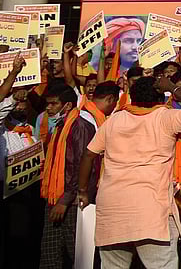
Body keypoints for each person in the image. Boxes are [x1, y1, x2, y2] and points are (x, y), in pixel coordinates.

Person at [78, 75, 181, 269]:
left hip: (113, 210)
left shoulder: (115, 119)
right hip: (151, 212)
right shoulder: (165, 117)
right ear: (160, 97)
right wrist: (172, 87)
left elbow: (89, 155)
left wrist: (82, 191)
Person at [39, 80, 119, 269]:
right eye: (47, 104)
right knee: (51, 255)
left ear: (66, 105)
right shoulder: (61, 124)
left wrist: (65, 200)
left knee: (78, 256)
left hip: (73, 202)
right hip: (55, 197)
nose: (49, 108)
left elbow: (81, 165)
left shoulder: (80, 125)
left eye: (53, 104)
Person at [0, 55, 45, 269]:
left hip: (25, 189)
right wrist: (12, 97)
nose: (21, 107)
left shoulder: (29, 129)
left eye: (24, 103)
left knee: (22, 238)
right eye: (17, 103)